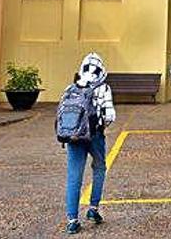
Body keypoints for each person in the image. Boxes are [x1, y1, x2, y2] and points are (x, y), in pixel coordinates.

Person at [63, 53, 116, 234]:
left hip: (74, 137)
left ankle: (72, 219)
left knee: (74, 176)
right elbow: (110, 116)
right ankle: (93, 209)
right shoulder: (104, 88)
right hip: (94, 136)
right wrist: (99, 124)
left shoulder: (72, 87)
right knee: (99, 167)